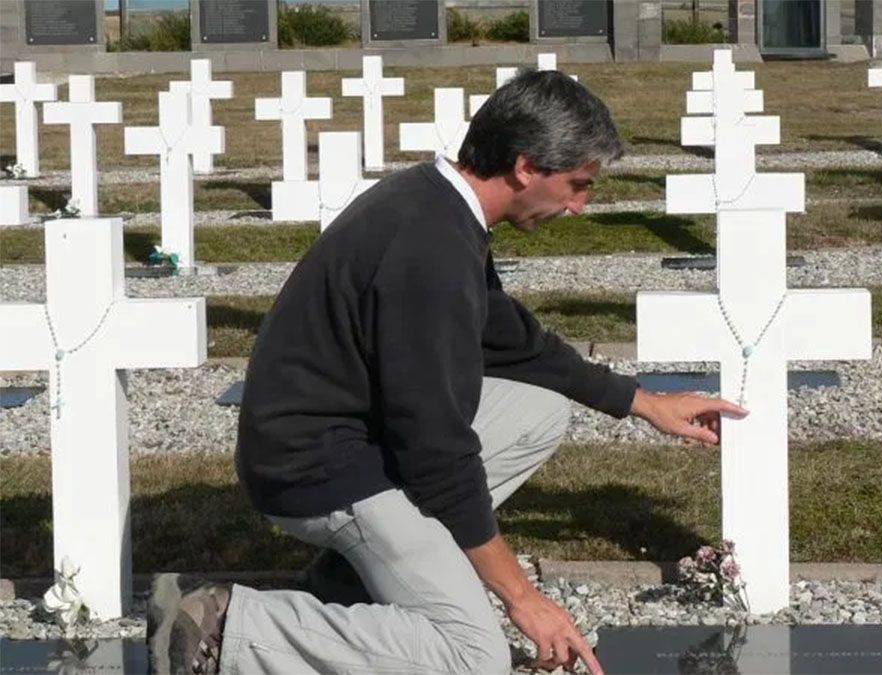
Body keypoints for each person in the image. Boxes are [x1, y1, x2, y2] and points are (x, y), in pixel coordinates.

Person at [147, 69, 746, 675]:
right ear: (525, 166)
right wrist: (523, 598)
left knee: (539, 410)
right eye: (578, 184)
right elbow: (435, 450)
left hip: (350, 438)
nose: (580, 204)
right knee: (471, 658)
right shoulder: (430, 248)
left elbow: (509, 337)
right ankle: (221, 627)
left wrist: (640, 401)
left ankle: (346, 582)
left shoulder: (438, 205)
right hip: (315, 469)